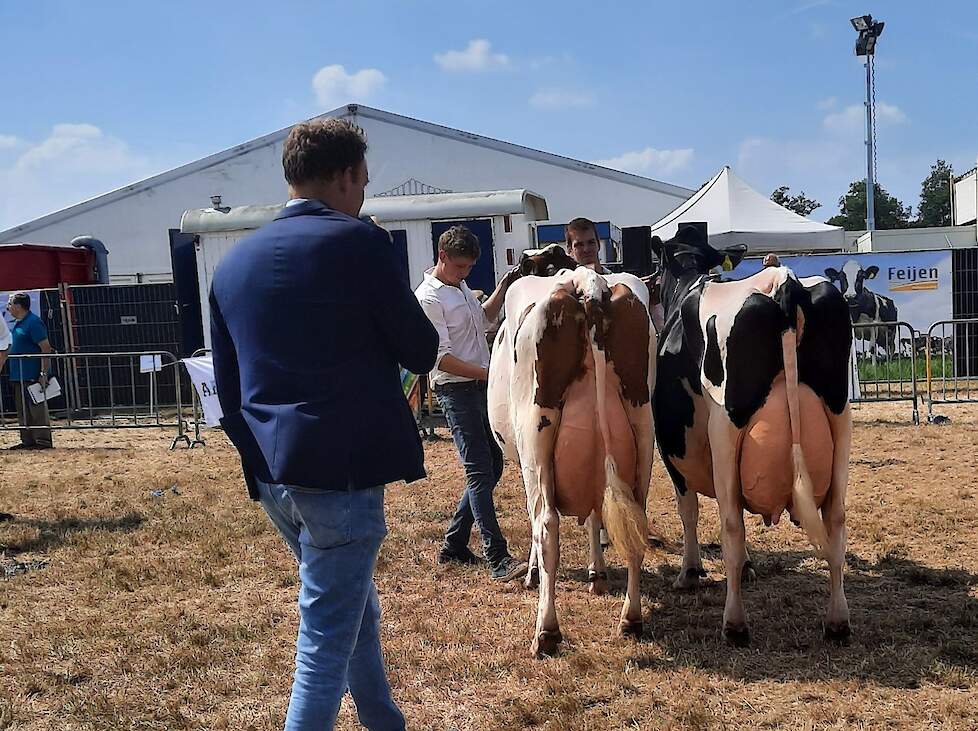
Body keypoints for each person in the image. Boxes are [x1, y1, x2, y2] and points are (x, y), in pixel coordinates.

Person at [209, 118, 438, 731]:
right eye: (361, 181)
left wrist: (257, 464)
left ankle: (384, 719)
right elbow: (420, 349)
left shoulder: (232, 265)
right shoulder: (358, 242)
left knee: (349, 608)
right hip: (341, 468)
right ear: (343, 176)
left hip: (272, 468)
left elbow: (227, 391)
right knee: (325, 640)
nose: (362, 195)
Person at [415, 225, 528, 582]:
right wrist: (490, 373)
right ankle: (498, 558)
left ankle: (454, 544)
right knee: (480, 471)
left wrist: (504, 286)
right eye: (460, 267)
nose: (465, 274)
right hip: (456, 391)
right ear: (442, 256)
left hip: (479, 387)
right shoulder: (429, 298)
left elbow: (483, 320)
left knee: (492, 466)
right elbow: (440, 359)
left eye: (469, 269)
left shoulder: (459, 287)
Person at [0, 293, 53, 450]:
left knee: (36, 409)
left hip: (31, 374)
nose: (8, 307)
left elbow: (46, 348)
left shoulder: (33, 322)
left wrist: (43, 373)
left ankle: (43, 441)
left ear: (18, 306)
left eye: (10, 304)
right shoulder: (19, 323)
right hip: (18, 375)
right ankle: (28, 440)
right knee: (23, 410)